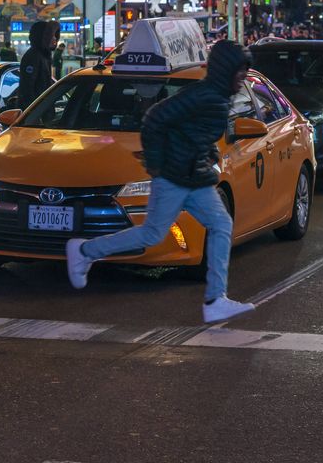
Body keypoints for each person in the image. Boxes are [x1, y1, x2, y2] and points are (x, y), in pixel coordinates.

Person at [65, 40, 256, 324]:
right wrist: (157, 165)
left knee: (221, 224)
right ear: (226, 70)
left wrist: (208, 155)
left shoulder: (217, 97)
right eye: (240, 70)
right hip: (174, 176)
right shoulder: (205, 95)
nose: (243, 76)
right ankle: (84, 250)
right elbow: (155, 118)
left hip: (194, 177)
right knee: (152, 235)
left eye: (245, 70)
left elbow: (196, 133)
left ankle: (216, 299)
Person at [18, 21, 58, 108]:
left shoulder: (44, 56)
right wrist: (34, 114)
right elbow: (27, 89)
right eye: (52, 35)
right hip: (37, 113)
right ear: (43, 37)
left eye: (55, 35)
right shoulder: (33, 56)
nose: (55, 38)